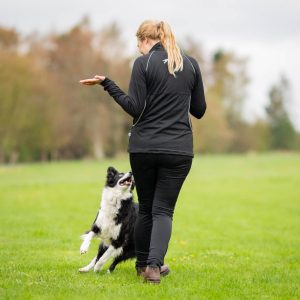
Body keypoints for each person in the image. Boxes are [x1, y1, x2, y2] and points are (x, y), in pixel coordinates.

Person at [79, 20, 206, 284]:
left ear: (145, 39)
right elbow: (199, 110)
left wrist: (108, 84)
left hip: (144, 148)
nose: (138, 50)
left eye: (138, 44)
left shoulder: (143, 64)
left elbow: (135, 107)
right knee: (163, 211)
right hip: (179, 150)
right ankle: (152, 267)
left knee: (147, 208)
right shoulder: (191, 64)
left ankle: (145, 266)